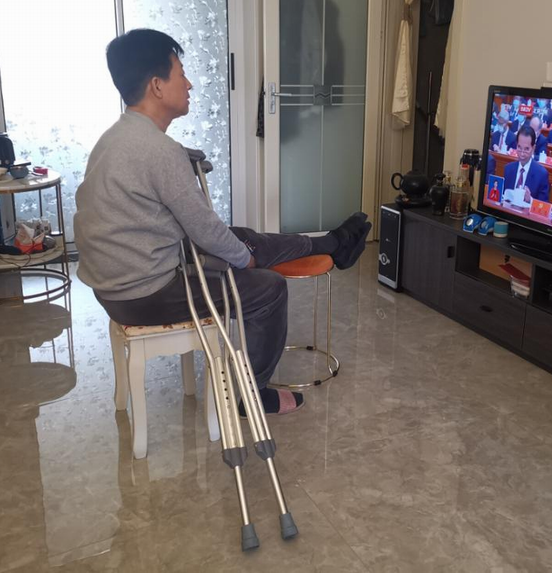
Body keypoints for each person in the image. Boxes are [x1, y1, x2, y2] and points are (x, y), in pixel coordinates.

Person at [74, 29, 371, 416]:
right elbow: (206, 230)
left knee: (240, 237)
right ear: (157, 86)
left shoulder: (116, 137)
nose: (189, 84)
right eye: (181, 73)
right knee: (268, 288)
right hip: (144, 293)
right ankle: (253, 395)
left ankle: (329, 243)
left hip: (116, 283)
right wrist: (246, 260)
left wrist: (237, 247)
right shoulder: (158, 151)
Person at [502, 126, 550, 203]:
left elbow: (543, 204)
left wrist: (530, 200)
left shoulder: (541, 174)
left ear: (533, 148)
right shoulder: (508, 169)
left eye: (526, 149)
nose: (522, 153)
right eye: (519, 147)